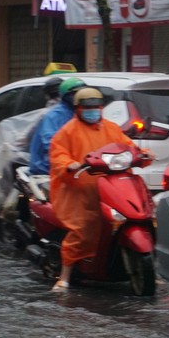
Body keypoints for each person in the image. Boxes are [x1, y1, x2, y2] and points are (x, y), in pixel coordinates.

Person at [48, 87, 139, 292]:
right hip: (80, 190)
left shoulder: (111, 128)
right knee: (83, 229)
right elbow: (58, 155)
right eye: (87, 107)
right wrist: (69, 164)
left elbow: (126, 145)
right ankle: (65, 275)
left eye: (96, 107)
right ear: (78, 109)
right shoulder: (68, 131)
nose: (92, 111)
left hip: (111, 185)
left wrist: (141, 153)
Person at [29, 77, 87, 177]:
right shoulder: (54, 116)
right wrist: (68, 161)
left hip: (80, 164)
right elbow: (52, 144)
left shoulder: (82, 113)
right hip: (50, 166)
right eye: (76, 93)